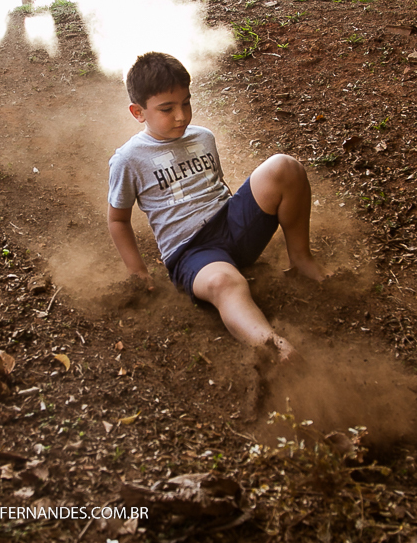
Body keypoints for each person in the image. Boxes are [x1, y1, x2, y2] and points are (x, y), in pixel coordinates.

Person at [107, 52, 328, 363]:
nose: (181, 115)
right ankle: (275, 350)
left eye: (186, 102)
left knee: (285, 166)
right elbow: (117, 219)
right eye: (167, 109)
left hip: (231, 225)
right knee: (226, 283)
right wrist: (137, 271)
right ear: (138, 112)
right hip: (193, 253)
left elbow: (218, 188)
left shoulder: (203, 137)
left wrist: (246, 217)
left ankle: (302, 260)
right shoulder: (128, 159)